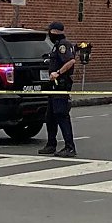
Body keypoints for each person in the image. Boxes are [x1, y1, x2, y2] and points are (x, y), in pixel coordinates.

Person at [39, 22, 79, 157]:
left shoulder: (63, 45)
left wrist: (58, 72)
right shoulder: (57, 45)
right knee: (50, 116)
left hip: (60, 84)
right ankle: (51, 144)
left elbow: (71, 61)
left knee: (62, 115)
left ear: (55, 31)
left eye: (50, 31)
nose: (49, 34)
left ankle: (70, 147)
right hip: (53, 86)